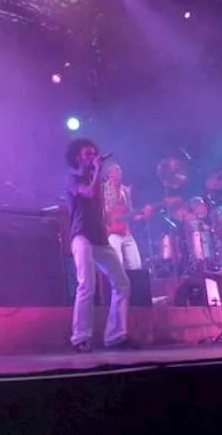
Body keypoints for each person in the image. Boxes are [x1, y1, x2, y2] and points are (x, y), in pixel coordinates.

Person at [65, 138, 136, 353]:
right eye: (87, 154)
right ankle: (81, 338)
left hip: (100, 238)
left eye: (94, 153)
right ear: (78, 157)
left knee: (122, 283)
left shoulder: (99, 183)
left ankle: (115, 336)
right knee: (87, 285)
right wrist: (97, 171)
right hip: (82, 236)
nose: (92, 156)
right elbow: (88, 193)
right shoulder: (72, 179)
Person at [102, 162, 147, 270]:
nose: (120, 172)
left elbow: (129, 211)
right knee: (117, 266)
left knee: (136, 265)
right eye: (117, 169)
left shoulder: (125, 190)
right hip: (111, 232)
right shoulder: (102, 189)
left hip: (125, 231)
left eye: (120, 169)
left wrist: (141, 215)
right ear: (109, 173)